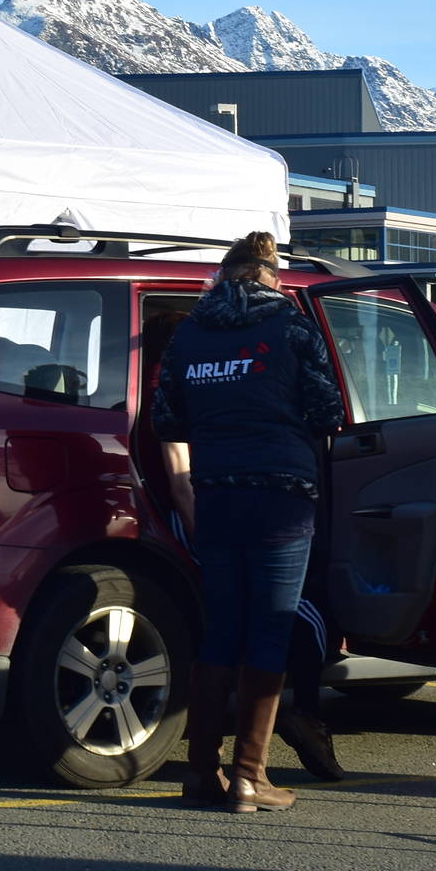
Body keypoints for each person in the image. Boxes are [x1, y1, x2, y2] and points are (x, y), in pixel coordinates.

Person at [151, 230, 344, 812]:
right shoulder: (291, 326)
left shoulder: (188, 333)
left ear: (224, 274)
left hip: (215, 495)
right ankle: (248, 777)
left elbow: (166, 419)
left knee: (222, 631)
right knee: (270, 630)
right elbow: (330, 410)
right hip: (280, 497)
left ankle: (199, 773)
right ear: (270, 275)